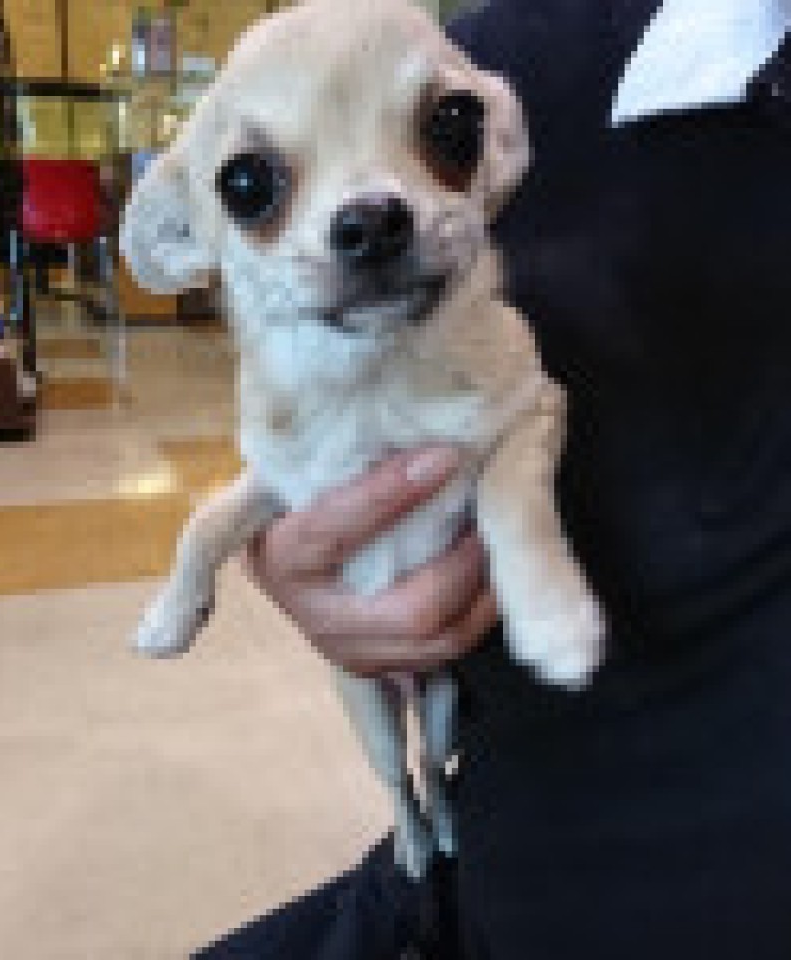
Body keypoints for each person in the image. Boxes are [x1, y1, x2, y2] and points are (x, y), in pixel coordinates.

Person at [197, 0, 791, 956]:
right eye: (257, 185)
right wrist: (303, 539)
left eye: (441, 136)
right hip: (526, 858)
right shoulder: (503, 58)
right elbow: (301, 409)